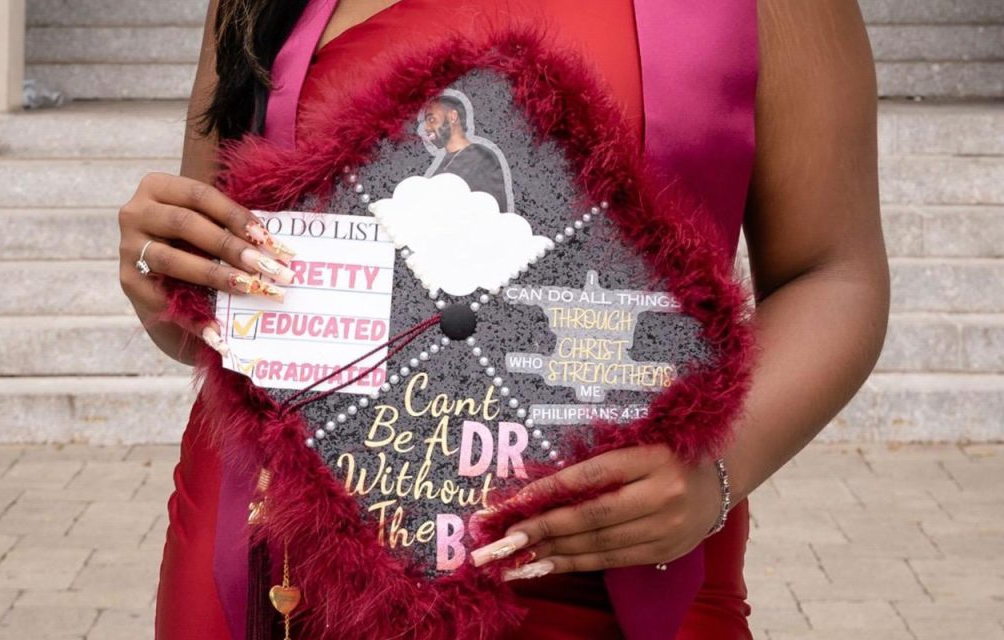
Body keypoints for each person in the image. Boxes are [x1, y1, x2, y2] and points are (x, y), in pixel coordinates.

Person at [117, 0, 888, 638]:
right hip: (285, 560)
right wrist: (165, 272)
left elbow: (835, 272)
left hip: (606, 560)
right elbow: (213, 302)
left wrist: (718, 471)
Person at [422, 94, 512, 212]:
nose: (426, 127)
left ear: (453, 116)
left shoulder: (482, 158)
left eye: (431, 120)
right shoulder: (444, 163)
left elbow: (495, 211)